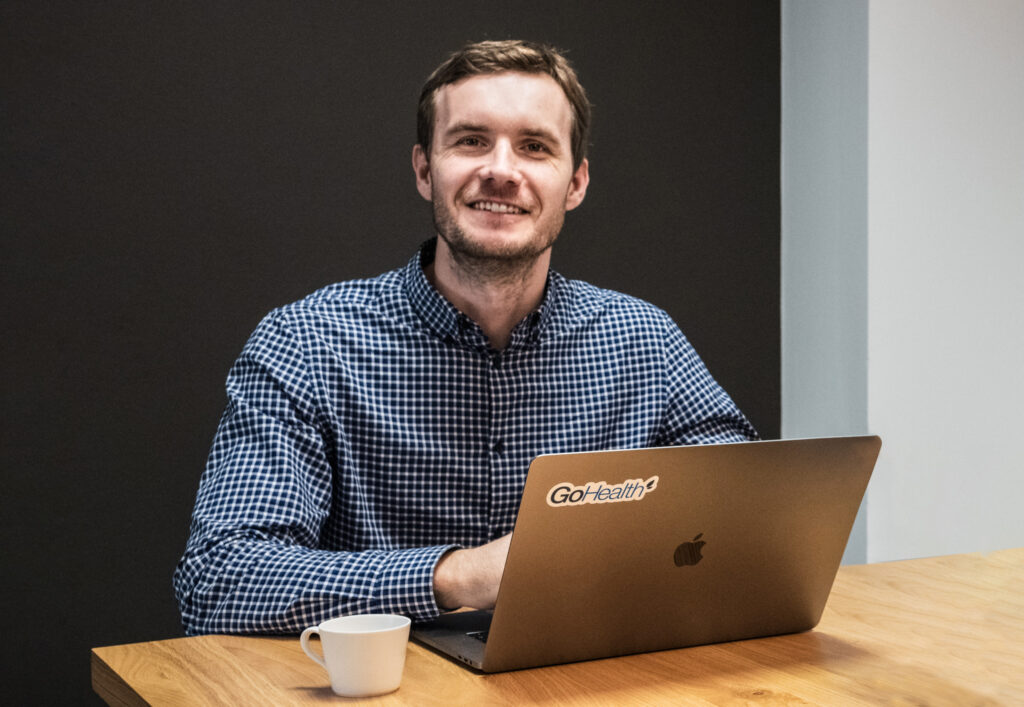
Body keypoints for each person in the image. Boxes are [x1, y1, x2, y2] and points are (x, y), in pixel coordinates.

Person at [173, 39, 757, 636]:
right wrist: (461, 577)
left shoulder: (643, 341)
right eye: (471, 140)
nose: (501, 170)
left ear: (575, 184)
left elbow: (748, 516)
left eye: (534, 147)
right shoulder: (306, 343)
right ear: (426, 169)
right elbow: (221, 581)